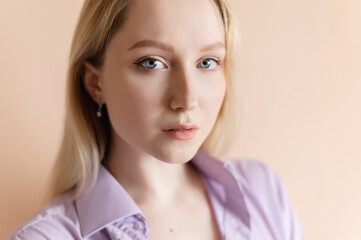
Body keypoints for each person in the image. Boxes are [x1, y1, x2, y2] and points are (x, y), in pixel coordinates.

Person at [6, 0, 304, 239]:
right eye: (152, 63)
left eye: (207, 62)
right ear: (95, 83)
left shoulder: (263, 192)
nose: (187, 99)